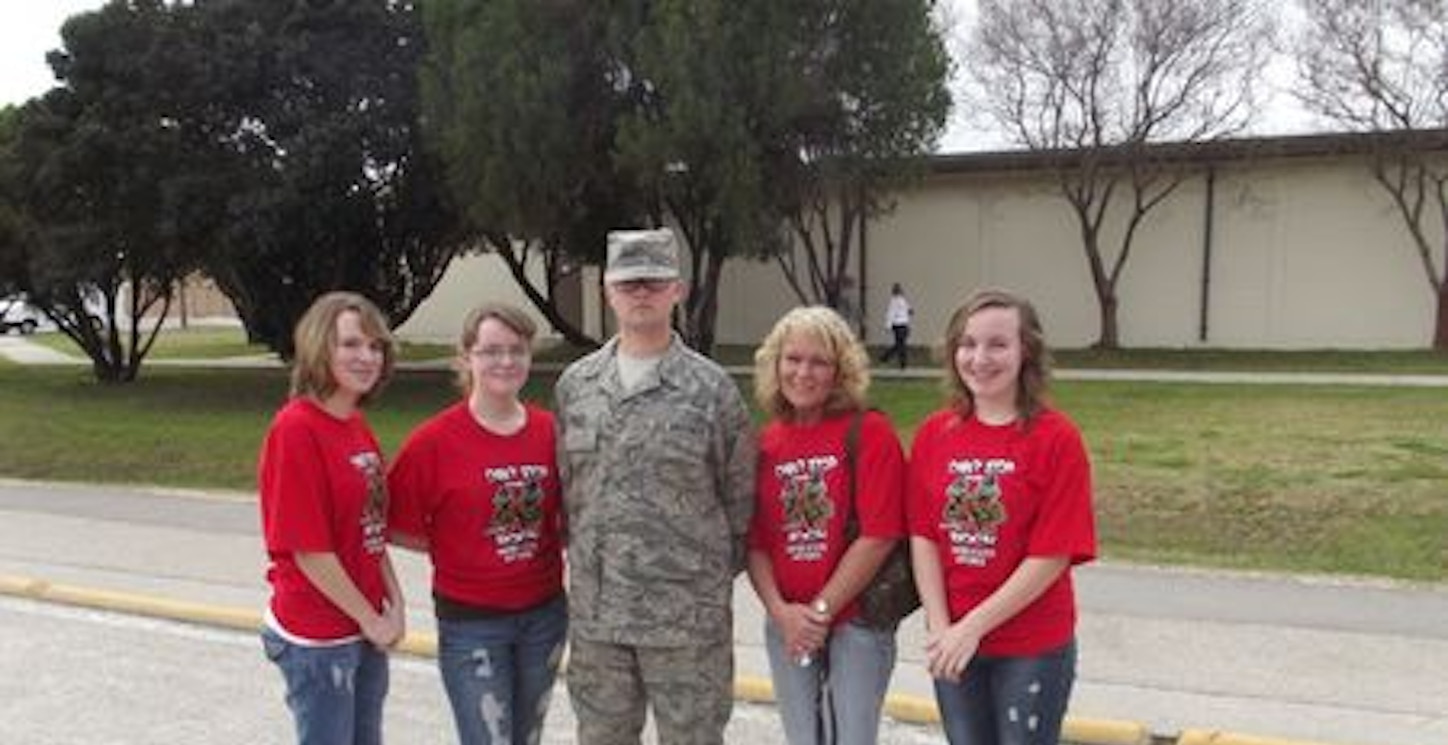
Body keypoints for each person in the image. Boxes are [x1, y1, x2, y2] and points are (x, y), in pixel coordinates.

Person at [553, 227, 756, 745]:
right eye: (629, 283)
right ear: (609, 292)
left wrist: (698, 576)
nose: (641, 292)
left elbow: (739, 502)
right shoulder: (576, 386)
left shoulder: (712, 390)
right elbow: (568, 490)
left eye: (654, 281)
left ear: (677, 290)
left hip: (687, 621)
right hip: (600, 621)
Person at [906, 288, 1097, 745]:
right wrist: (940, 628)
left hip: (1031, 647)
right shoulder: (935, 434)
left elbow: (1051, 555)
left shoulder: (1057, 439)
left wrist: (971, 628)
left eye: (997, 344)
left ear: (1025, 351)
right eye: (968, 344)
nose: (980, 358)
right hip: (955, 643)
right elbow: (923, 536)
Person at [386, 303, 566, 745]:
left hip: (543, 615)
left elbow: (567, 515)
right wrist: (453, 547)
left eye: (517, 350)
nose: (505, 362)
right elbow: (392, 523)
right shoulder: (432, 442)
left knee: (527, 736)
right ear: (466, 357)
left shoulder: (552, 433)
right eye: (490, 351)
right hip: (471, 624)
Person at [746, 306, 907, 745]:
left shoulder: (869, 432)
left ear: (841, 372)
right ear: (775, 364)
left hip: (855, 621)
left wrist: (819, 613)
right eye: (793, 359)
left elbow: (879, 535)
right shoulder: (767, 443)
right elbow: (755, 543)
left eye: (819, 362)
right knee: (803, 737)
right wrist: (782, 613)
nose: (803, 372)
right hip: (786, 621)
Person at [258, 290, 406, 745]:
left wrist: (395, 604)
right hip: (319, 635)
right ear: (321, 347)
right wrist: (371, 618)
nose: (366, 356)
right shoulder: (296, 429)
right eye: (351, 344)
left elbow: (370, 529)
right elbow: (310, 551)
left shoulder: (356, 425)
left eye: (375, 346)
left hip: (362, 624)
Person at [878, 283, 913, 370]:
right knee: (901, 345)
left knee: (899, 345)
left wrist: (910, 311)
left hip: (902, 324)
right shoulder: (895, 301)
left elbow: (905, 310)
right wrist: (888, 325)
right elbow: (891, 313)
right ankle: (902, 363)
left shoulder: (901, 300)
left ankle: (886, 358)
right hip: (900, 325)